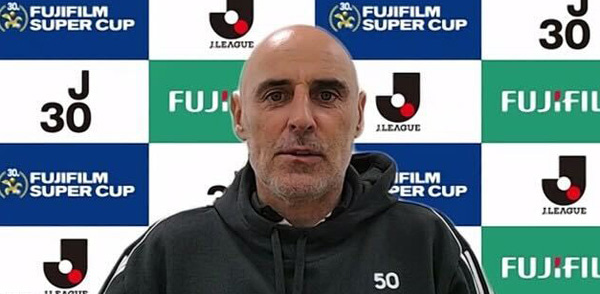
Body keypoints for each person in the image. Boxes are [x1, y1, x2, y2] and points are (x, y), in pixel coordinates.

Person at [100, 25, 492, 294]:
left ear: (358, 116)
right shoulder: (169, 252)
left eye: (326, 95)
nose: (301, 119)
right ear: (239, 116)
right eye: (276, 96)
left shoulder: (425, 242)